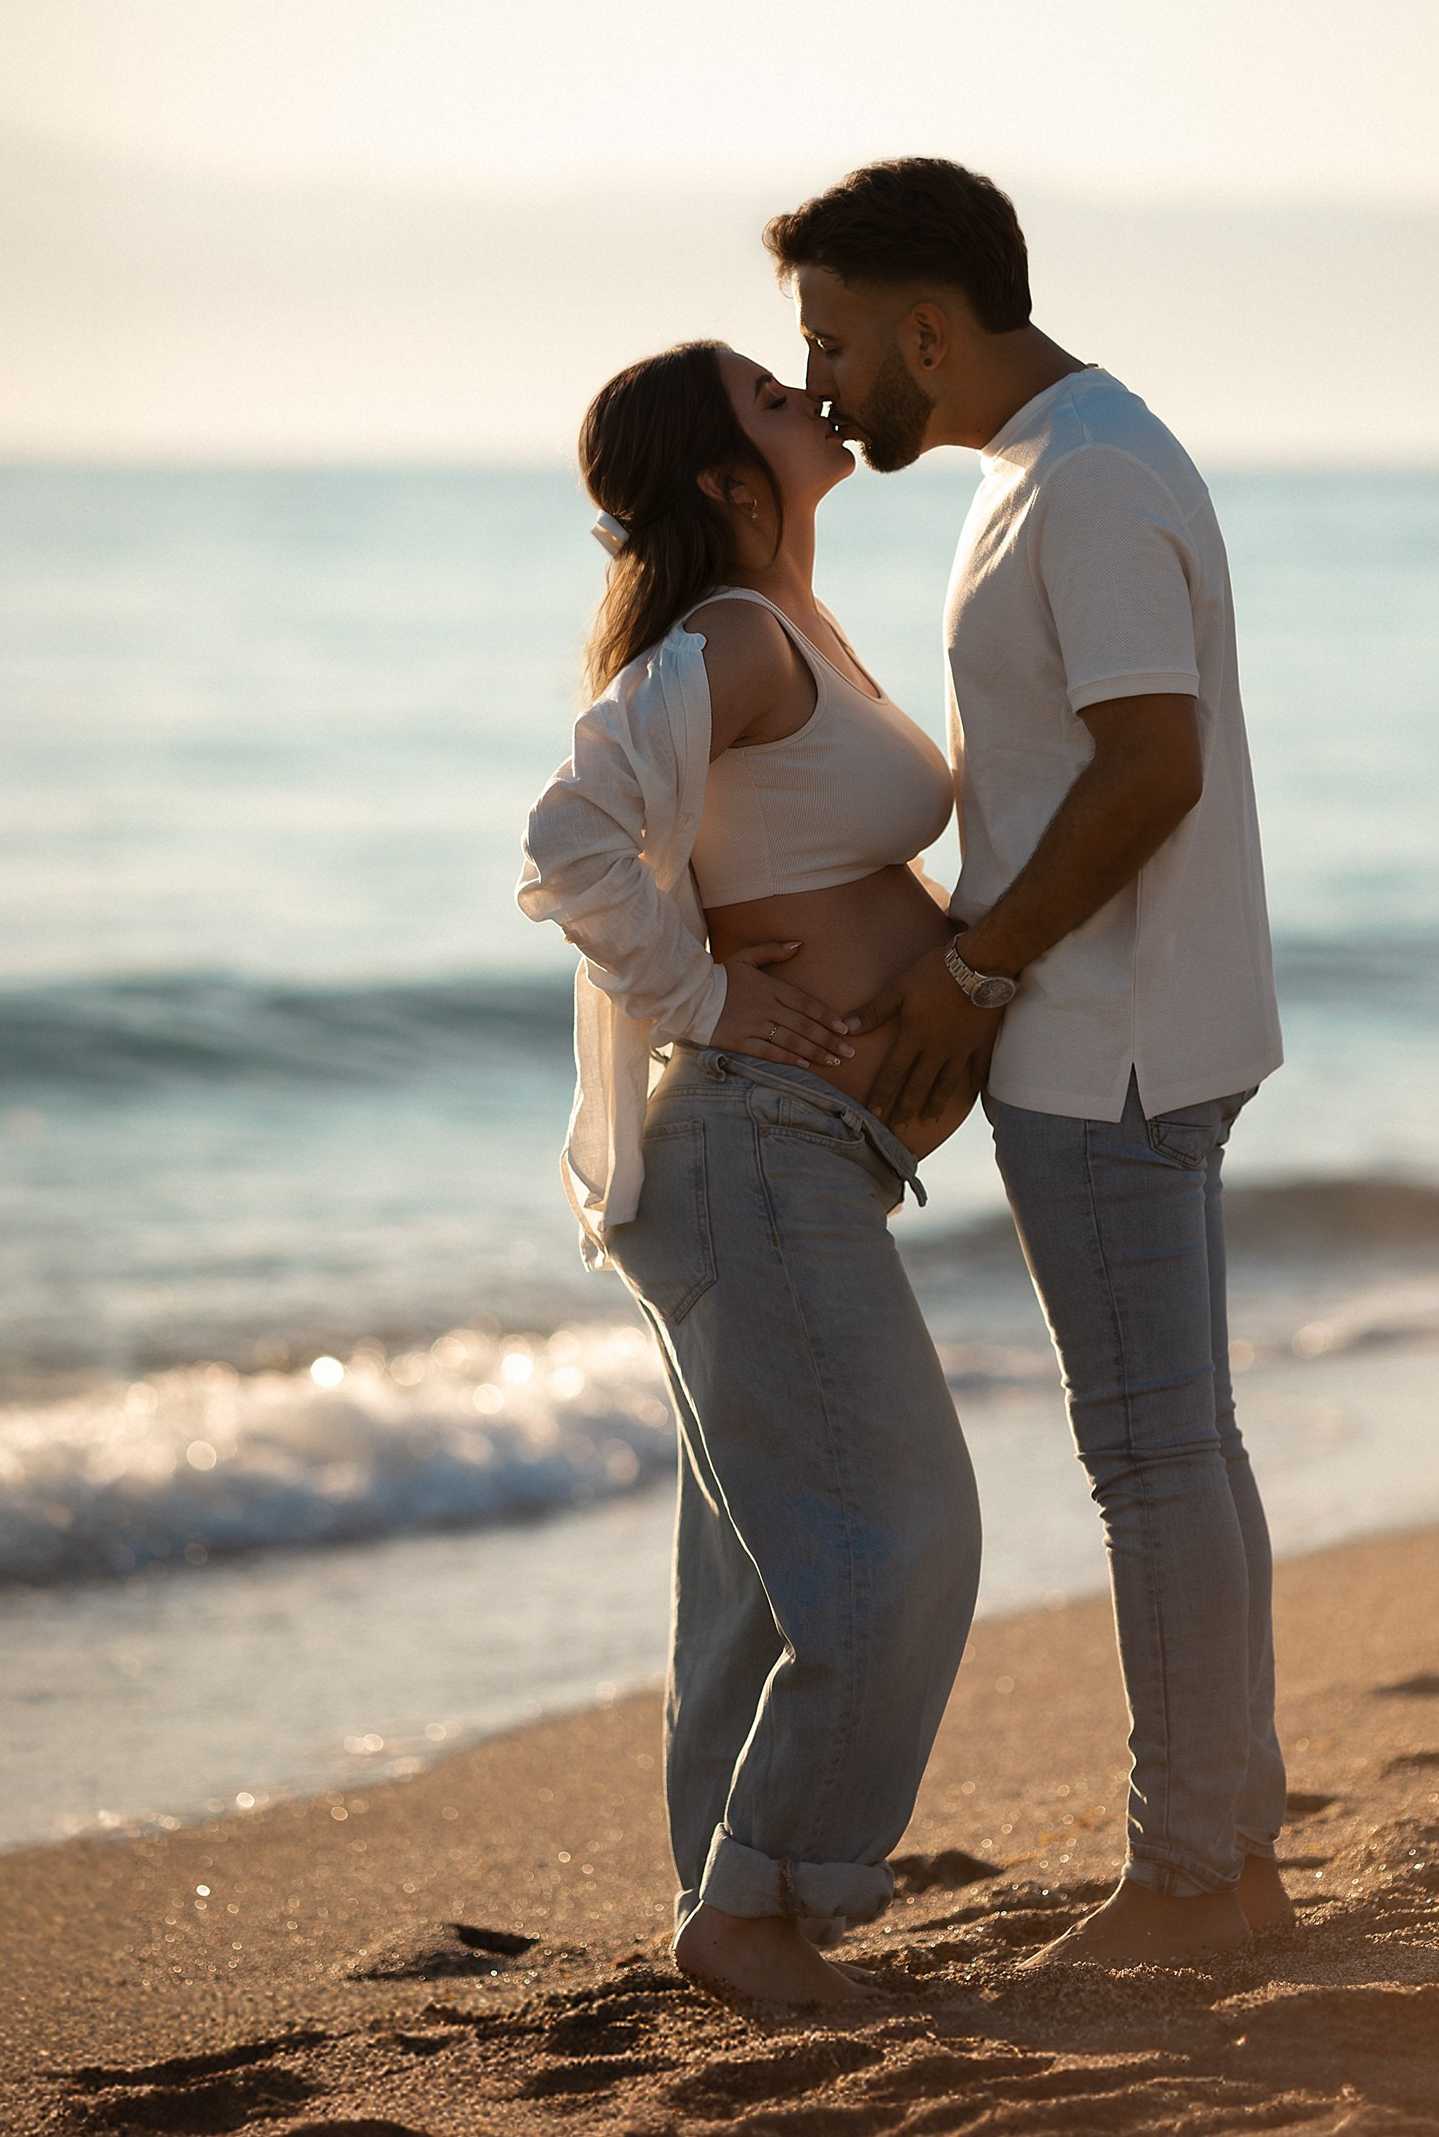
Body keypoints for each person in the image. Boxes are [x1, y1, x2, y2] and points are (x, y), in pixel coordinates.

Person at [763, 158, 1292, 1964]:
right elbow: (1087, 777)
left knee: (1152, 1460)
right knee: (1186, 1451)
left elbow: (1156, 770)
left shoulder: (1092, 480)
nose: (822, 384)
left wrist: (977, 973)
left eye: (833, 341)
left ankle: (1184, 1883)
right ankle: (1233, 1853)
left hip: (1111, 1049)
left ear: (932, 325)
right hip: (1118, 1032)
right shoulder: (1056, 467)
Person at [518, 338, 981, 2005]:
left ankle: (724, 1902)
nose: (813, 397)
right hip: (751, 1152)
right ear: (728, 478)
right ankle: (758, 1904)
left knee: (753, 1581)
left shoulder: (793, 628)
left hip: (787, 1167)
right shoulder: (728, 635)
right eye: (775, 402)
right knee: (903, 1537)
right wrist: (709, 991)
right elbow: (571, 835)